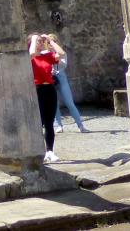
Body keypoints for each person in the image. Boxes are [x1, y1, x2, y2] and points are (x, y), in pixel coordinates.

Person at [30, 32, 64, 163]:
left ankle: (49, 150)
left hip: (49, 88)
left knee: (49, 122)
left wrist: (50, 41)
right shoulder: (31, 56)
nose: (40, 43)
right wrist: (34, 39)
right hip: (37, 89)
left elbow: (61, 54)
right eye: (38, 41)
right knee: (39, 122)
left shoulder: (47, 56)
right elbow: (32, 53)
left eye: (40, 41)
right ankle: (38, 151)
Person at [50, 33, 88, 133]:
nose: (51, 45)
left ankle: (80, 125)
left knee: (69, 102)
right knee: (54, 104)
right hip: (50, 79)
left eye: (53, 42)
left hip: (61, 78)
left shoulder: (62, 53)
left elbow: (63, 65)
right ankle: (58, 125)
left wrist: (55, 59)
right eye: (49, 43)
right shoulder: (46, 54)